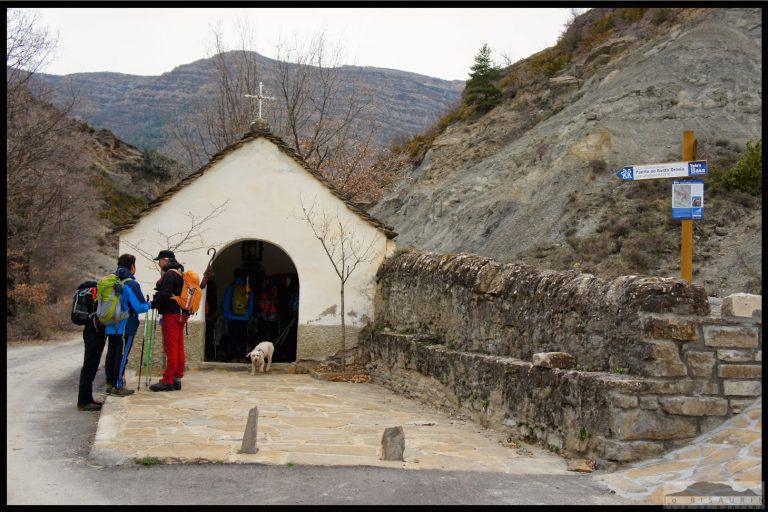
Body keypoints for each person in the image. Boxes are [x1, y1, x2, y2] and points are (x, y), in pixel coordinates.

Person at [104, 254, 152, 397]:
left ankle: (110, 383)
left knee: (112, 353)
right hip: (126, 325)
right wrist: (150, 304)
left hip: (111, 324)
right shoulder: (131, 284)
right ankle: (118, 386)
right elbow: (139, 307)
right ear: (132, 266)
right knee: (122, 354)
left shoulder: (111, 280)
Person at [149, 250, 188, 392]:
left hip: (171, 314)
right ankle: (177, 377)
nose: (159, 263)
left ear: (165, 260)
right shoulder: (180, 273)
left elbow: (165, 294)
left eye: (159, 260)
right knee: (178, 346)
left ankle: (168, 380)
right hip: (181, 314)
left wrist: (152, 304)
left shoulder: (170, 274)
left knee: (171, 347)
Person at [76, 282, 107, 411]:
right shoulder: (94, 293)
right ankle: (83, 401)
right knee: (89, 366)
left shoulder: (92, 293)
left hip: (92, 332)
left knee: (91, 366)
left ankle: (87, 399)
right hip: (93, 332)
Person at [222, 268, 255, 362]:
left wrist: (226, 314)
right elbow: (251, 302)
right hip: (244, 318)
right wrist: (248, 315)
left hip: (231, 317)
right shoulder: (247, 288)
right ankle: (242, 356)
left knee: (232, 337)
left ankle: (233, 357)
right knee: (243, 338)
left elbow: (226, 302)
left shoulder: (231, 287)